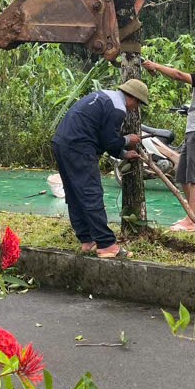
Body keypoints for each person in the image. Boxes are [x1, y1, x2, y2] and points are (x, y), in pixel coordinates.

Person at [52, 79, 149, 259]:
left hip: (61, 143)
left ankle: (87, 240)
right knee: (91, 193)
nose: (134, 109)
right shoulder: (118, 109)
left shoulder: (105, 96)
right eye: (138, 105)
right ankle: (106, 245)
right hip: (79, 147)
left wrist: (123, 154)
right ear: (133, 99)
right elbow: (109, 141)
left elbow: (104, 137)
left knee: (74, 194)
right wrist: (128, 140)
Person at [142, 45, 195, 232]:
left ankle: (190, 221)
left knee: (194, 177)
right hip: (194, 131)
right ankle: (194, 215)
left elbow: (179, 75)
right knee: (182, 173)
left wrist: (156, 65)